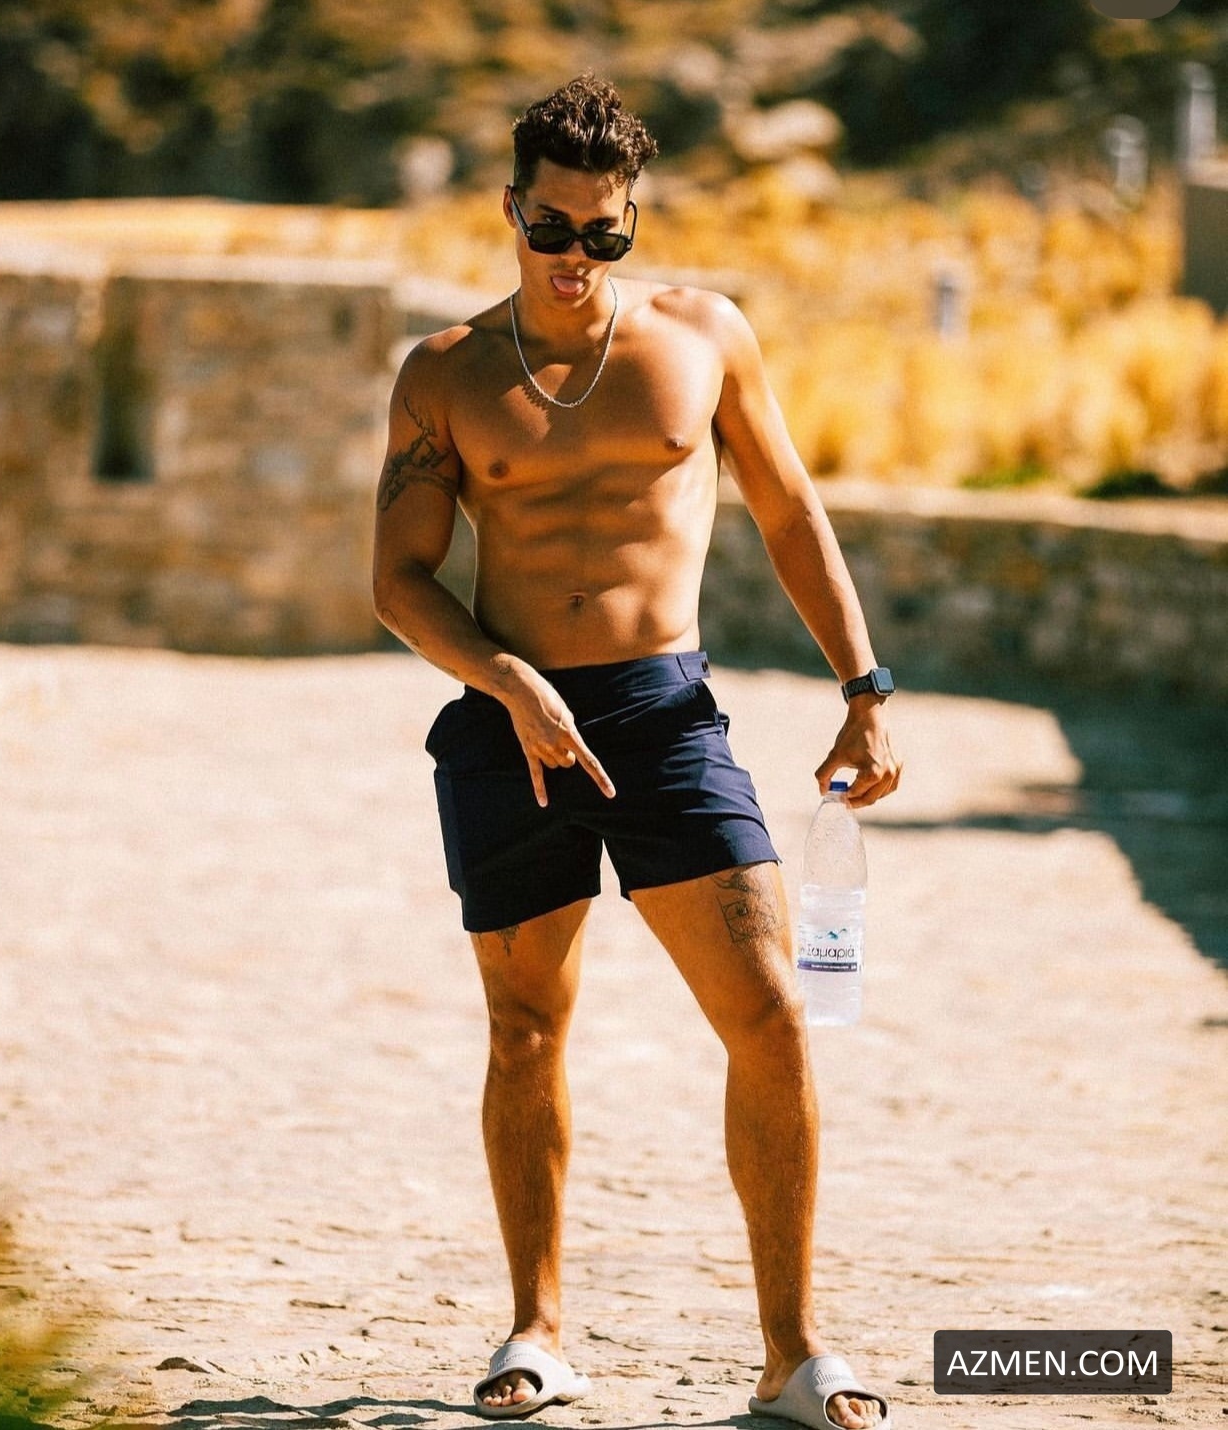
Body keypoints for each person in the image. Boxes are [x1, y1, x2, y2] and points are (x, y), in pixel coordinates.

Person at [373, 74, 900, 1430]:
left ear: (633, 220)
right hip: (511, 730)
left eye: (603, 232)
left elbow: (788, 510)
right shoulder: (445, 374)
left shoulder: (701, 337)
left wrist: (863, 686)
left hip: (665, 717)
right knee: (525, 1028)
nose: (576, 256)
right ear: (511, 210)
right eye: (552, 227)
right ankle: (537, 1328)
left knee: (772, 1016)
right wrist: (506, 679)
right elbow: (399, 579)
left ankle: (792, 1353)